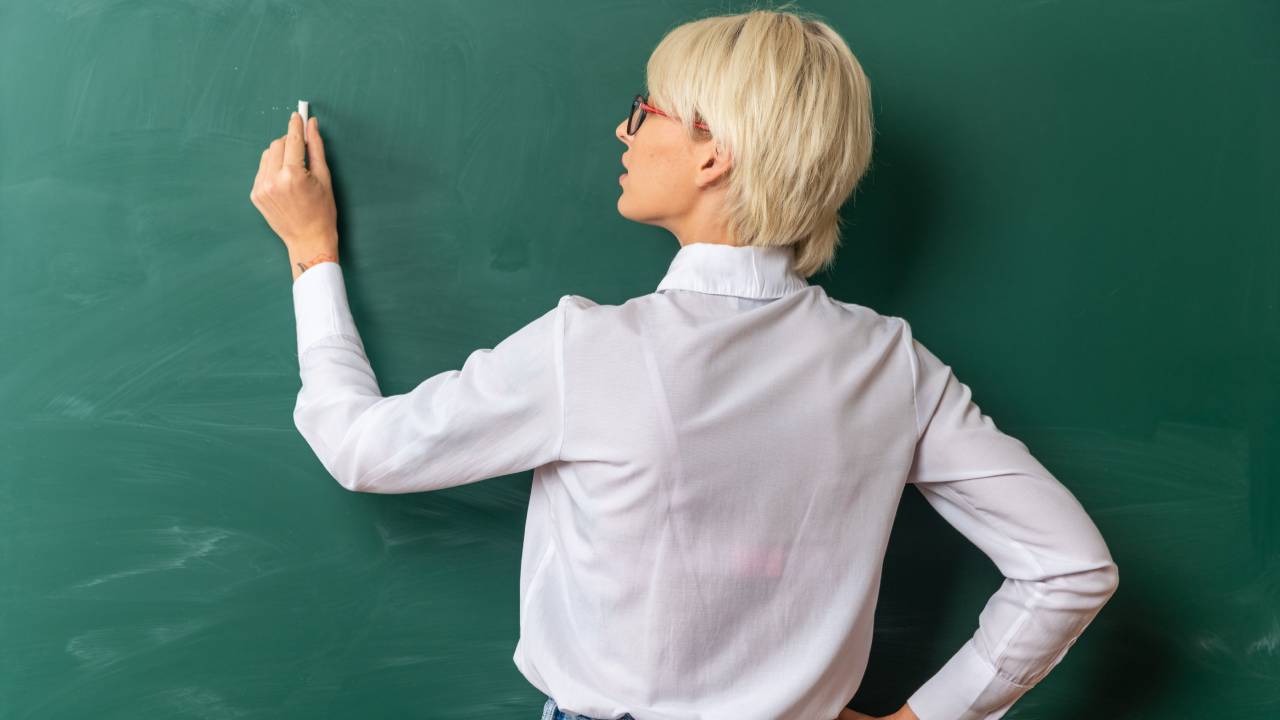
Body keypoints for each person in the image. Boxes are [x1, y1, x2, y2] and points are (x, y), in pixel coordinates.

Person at [251, 5, 1119, 719]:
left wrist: (311, 254)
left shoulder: (590, 351)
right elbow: (1069, 567)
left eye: (646, 107)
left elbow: (362, 449)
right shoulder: (894, 365)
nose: (623, 128)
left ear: (715, 150)